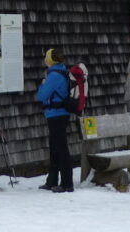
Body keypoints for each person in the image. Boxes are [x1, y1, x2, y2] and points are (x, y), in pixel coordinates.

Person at [36, 47, 74, 192]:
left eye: (46, 57)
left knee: (61, 148)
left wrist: (43, 83)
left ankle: (66, 183)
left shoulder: (54, 76)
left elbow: (42, 96)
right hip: (58, 114)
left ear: (50, 60)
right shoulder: (61, 71)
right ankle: (52, 180)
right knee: (55, 148)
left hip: (56, 114)